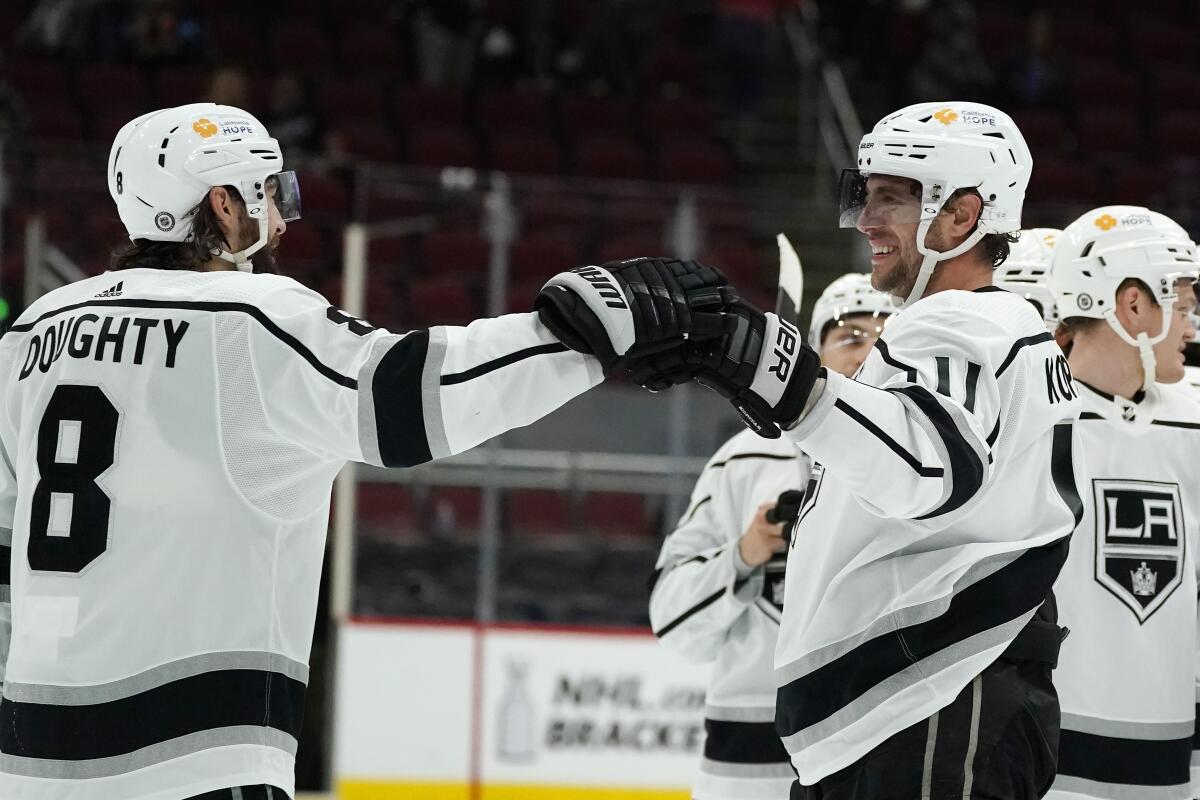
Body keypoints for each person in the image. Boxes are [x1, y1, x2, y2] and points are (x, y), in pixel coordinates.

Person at [0, 103, 741, 800]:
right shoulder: (253, 320)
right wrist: (588, 329)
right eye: (267, 193)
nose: (281, 219)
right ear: (220, 205)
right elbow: (417, 397)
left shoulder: (31, 334)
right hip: (192, 755)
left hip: (28, 757)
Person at [636, 101, 1084, 799]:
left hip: (932, 703)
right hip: (917, 705)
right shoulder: (982, 327)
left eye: (892, 201)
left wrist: (762, 367)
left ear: (963, 216)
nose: (866, 222)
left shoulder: (961, 323)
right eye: (865, 198)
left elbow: (929, 466)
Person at [649, 274, 896, 800]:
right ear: (816, 353)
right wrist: (744, 554)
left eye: (886, 339)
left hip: (879, 748)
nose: (868, 353)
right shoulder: (744, 463)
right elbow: (672, 622)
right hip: (748, 765)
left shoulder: (932, 471)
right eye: (851, 336)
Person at [1043, 206, 1200, 800]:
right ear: (1133, 305)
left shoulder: (1194, 421)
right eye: (1181, 303)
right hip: (1044, 762)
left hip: (1171, 762)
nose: (1190, 324)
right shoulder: (1018, 421)